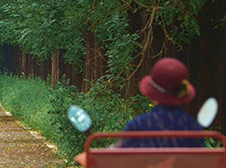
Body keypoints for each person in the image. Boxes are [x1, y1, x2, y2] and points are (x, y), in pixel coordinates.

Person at [74, 58, 203, 166]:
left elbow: (115, 158)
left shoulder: (139, 125)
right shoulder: (194, 128)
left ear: (152, 94)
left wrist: (89, 157)